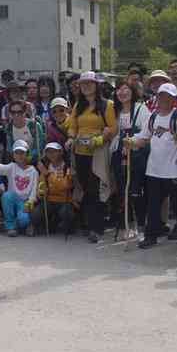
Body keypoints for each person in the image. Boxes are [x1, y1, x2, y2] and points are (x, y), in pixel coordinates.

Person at [127, 83, 177, 250]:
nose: (164, 99)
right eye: (161, 96)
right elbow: (143, 138)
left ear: (174, 100)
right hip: (154, 170)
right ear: (157, 98)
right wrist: (130, 142)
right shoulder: (152, 116)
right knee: (153, 205)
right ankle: (151, 236)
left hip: (175, 170)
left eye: (168, 97)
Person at [66, 71, 117, 244]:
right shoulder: (77, 106)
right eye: (83, 83)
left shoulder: (106, 105)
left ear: (96, 85)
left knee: (97, 187)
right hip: (80, 152)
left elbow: (112, 128)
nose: (86, 86)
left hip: (98, 152)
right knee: (85, 188)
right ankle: (88, 224)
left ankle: (97, 227)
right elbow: (72, 126)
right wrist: (71, 138)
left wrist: (100, 139)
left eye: (90, 83)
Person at [110, 80, 151, 233]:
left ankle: (141, 224)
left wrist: (132, 142)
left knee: (136, 190)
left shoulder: (141, 109)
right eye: (119, 89)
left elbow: (147, 131)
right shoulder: (114, 111)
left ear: (133, 91)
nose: (122, 92)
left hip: (137, 154)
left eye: (126, 89)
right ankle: (126, 224)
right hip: (118, 154)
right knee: (122, 190)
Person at [0, 140, 39, 236]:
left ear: (27, 154)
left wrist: (30, 202)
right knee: (6, 196)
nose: (19, 155)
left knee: (24, 220)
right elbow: (0, 169)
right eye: (16, 153)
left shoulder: (33, 171)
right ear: (13, 155)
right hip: (13, 199)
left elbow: (34, 190)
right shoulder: (11, 167)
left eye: (22, 152)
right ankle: (10, 226)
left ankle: (24, 224)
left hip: (25, 202)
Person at [33, 142, 75, 236]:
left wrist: (47, 174)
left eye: (54, 151)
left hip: (64, 200)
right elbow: (40, 185)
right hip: (49, 200)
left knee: (66, 213)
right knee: (36, 213)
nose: (51, 154)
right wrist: (40, 192)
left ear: (60, 152)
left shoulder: (67, 167)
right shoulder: (46, 166)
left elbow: (64, 186)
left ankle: (68, 225)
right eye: (48, 152)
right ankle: (49, 225)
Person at [4, 100, 45, 164]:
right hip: (17, 162)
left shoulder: (34, 125)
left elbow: (39, 145)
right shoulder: (9, 128)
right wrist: (18, 158)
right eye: (13, 112)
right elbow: (10, 147)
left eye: (20, 112)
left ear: (25, 112)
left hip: (33, 161)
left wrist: (28, 157)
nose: (16, 115)